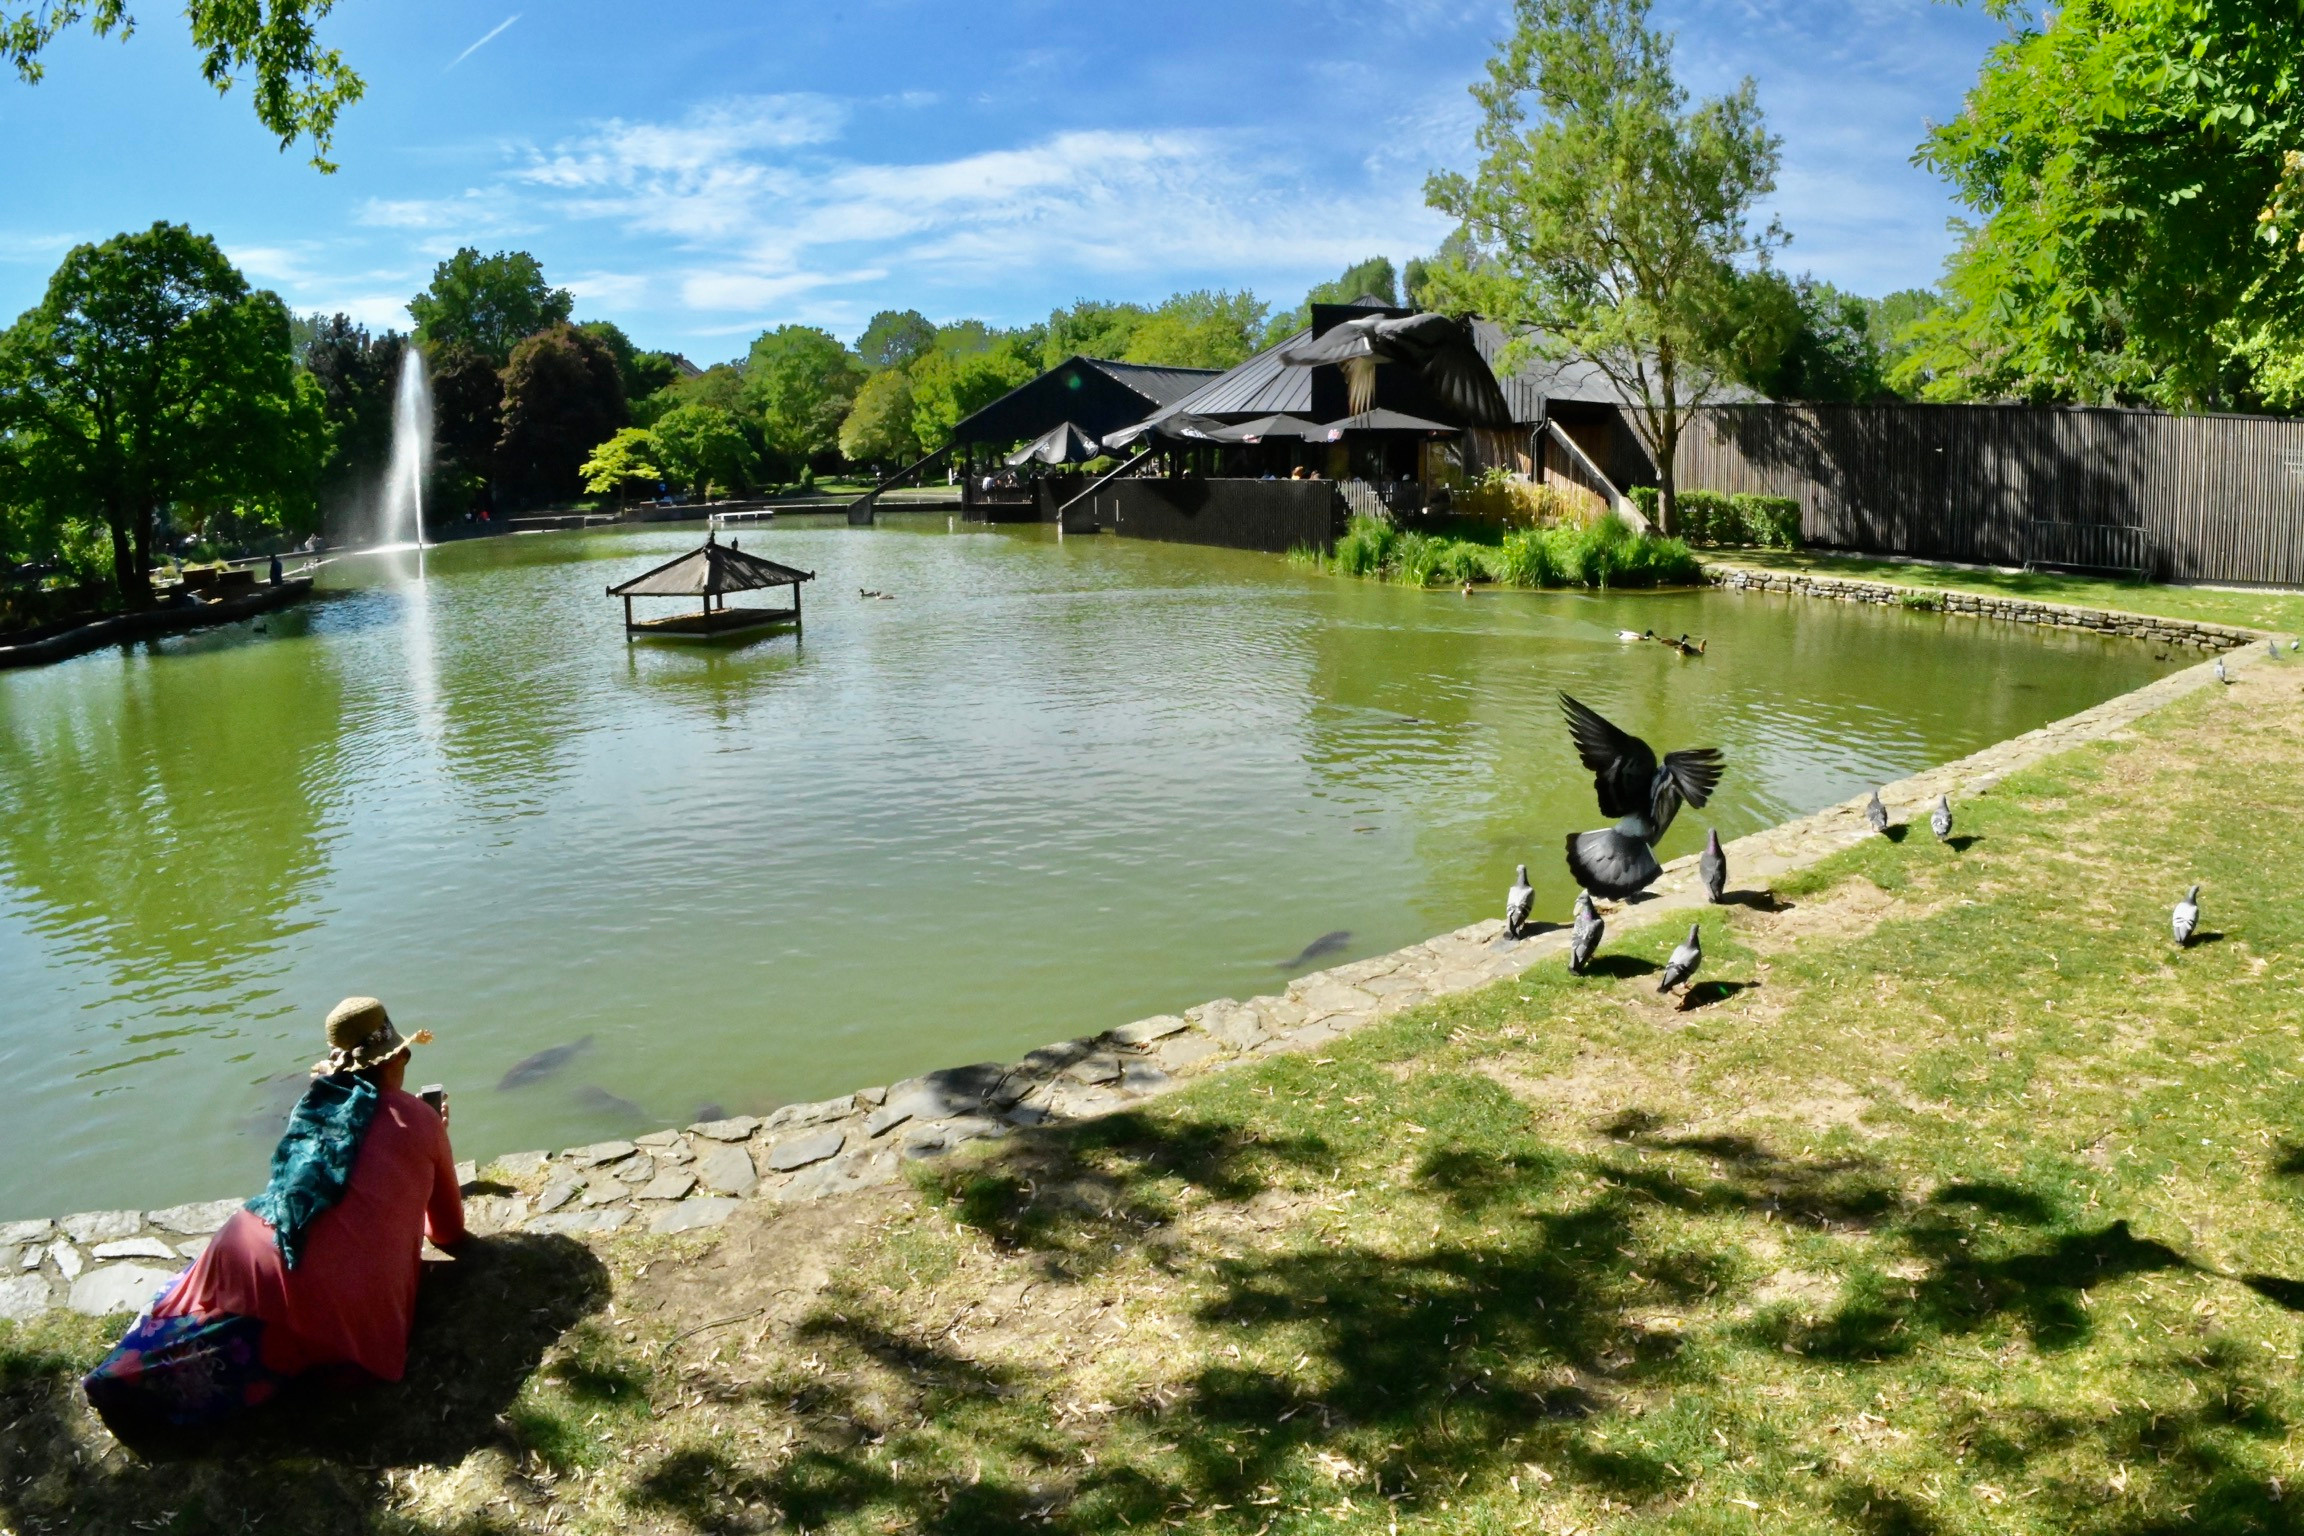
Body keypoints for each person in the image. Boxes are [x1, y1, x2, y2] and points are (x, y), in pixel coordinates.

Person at [82, 998, 465, 1446]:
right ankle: (139, 1382)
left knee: (214, 1318)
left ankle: (123, 1374)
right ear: (399, 1056)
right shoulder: (422, 1120)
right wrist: (432, 1143)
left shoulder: (315, 1109)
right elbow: (448, 1233)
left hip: (251, 1250)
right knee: (284, 1343)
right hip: (347, 1303)